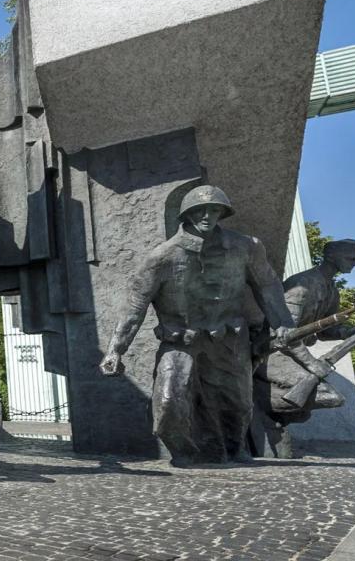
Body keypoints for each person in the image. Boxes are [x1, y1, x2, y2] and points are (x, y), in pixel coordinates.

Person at [100, 185, 291, 466]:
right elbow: (135, 305)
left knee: (238, 402)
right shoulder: (162, 257)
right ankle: (185, 452)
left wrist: (282, 323)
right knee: (169, 400)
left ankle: (234, 449)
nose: (207, 216)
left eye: (214, 210)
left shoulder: (247, 247)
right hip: (181, 340)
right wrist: (116, 350)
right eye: (199, 210)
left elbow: (267, 285)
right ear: (186, 215)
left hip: (228, 338)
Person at [254, 239, 355, 455]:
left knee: (305, 410)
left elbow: (325, 331)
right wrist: (311, 363)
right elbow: (285, 333)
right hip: (271, 353)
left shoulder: (331, 290)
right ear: (331, 256)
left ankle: (271, 417)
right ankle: (255, 402)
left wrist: (353, 332)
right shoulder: (302, 285)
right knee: (328, 396)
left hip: (292, 353)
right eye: (352, 258)